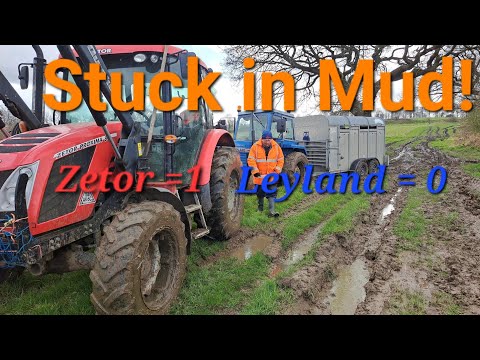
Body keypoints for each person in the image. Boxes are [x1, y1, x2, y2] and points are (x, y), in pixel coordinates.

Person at [247, 130, 285, 217]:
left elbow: (281, 160)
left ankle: (272, 211)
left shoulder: (276, 147)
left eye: (269, 140)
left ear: (271, 139)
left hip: (272, 176)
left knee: (272, 193)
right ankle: (260, 209)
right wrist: (255, 172)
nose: (267, 142)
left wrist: (277, 171)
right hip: (260, 177)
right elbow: (251, 160)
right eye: (265, 140)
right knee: (260, 193)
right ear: (262, 139)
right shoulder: (255, 147)